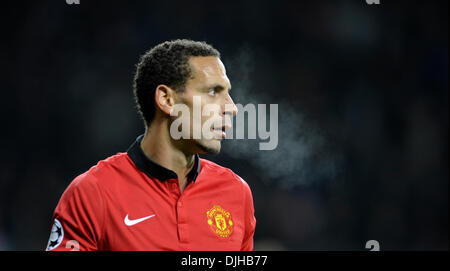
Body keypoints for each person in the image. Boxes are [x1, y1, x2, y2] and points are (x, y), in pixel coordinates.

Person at [46, 39, 256, 251]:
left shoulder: (237, 193)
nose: (231, 107)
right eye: (213, 92)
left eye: (227, 93)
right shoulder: (93, 193)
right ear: (166, 99)